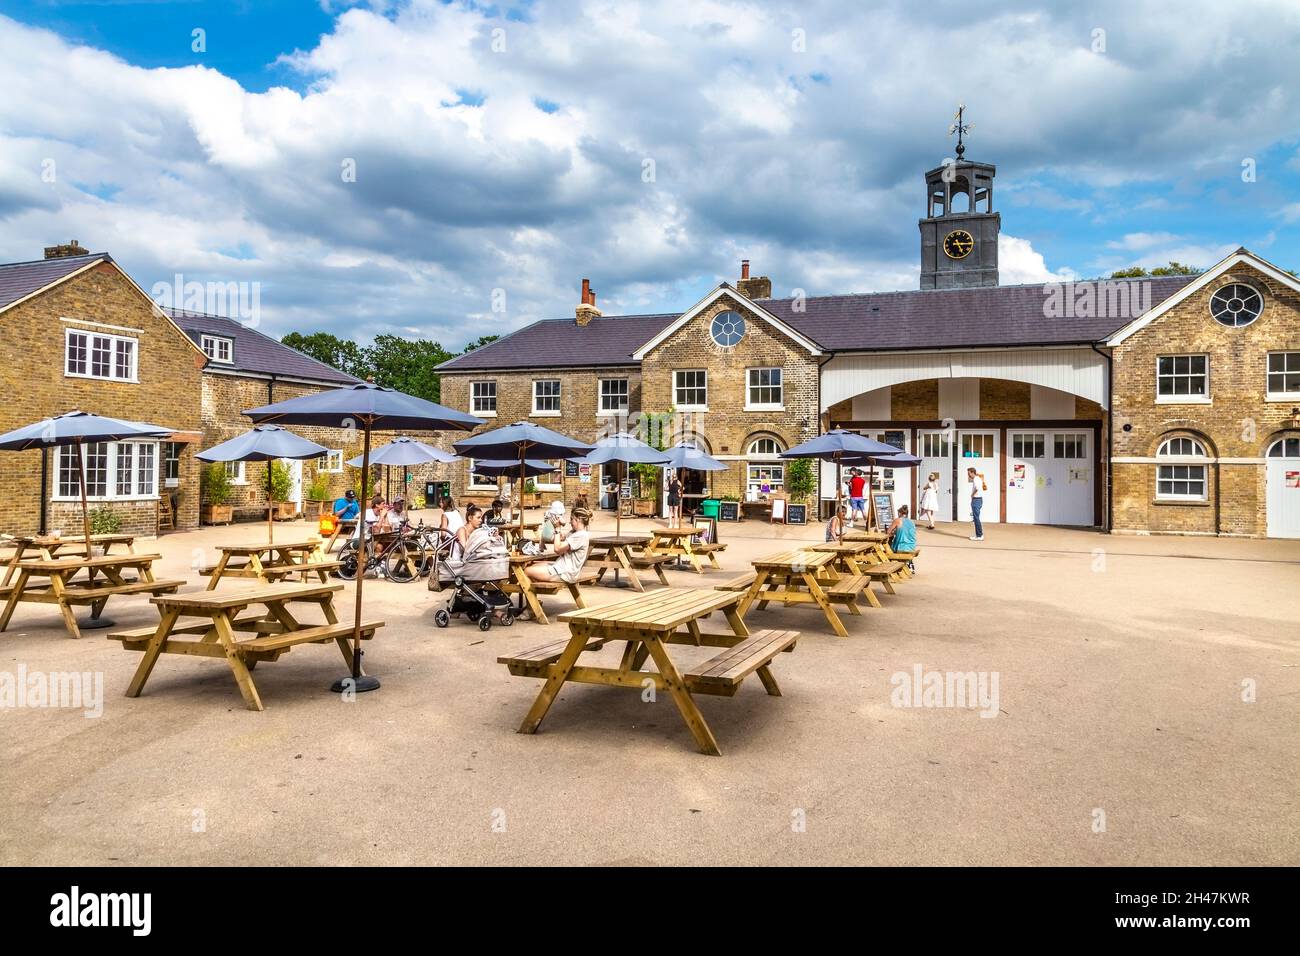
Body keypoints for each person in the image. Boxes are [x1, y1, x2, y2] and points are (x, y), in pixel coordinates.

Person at [526, 506, 592, 587]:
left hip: (565, 574)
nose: (570, 522)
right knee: (531, 565)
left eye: (571, 519)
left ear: (578, 520)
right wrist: (551, 527)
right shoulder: (575, 533)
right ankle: (532, 598)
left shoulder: (581, 535)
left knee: (526, 571)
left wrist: (557, 529)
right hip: (562, 568)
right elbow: (558, 539)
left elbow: (557, 549)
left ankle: (530, 598)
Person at [967, 466, 985, 541]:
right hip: (978, 499)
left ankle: (979, 535)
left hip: (976, 499)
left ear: (972, 472)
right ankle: (979, 535)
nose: (968, 475)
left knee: (976, 518)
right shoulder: (978, 479)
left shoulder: (976, 479)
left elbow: (977, 488)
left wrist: (972, 495)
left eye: (969, 473)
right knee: (976, 518)